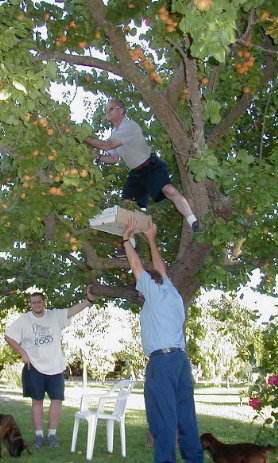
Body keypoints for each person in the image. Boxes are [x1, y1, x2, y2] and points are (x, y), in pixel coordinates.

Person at [122, 217, 204, 463]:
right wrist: (151, 238)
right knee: (185, 417)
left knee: (162, 418)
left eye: (140, 284)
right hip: (180, 361)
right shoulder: (171, 291)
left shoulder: (154, 294)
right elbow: (161, 269)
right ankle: (194, 459)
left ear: (148, 283)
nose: (137, 287)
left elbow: (137, 266)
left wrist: (127, 240)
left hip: (163, 363)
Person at [85, 99, 199, 234]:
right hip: (136, 174)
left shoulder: (128, 127)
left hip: (151, 166)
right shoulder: (114, 133)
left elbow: (106, 145)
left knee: (169, 191)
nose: (107, 111)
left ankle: (192, 220)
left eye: (110, 108)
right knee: (126, 207)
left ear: (121, 110)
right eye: (106, 109)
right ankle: (130, 245)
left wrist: (83, 137)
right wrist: (98, 157)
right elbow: (114, 159)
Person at [5, 287, 95, 449]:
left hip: (56, 367)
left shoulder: (55, 316)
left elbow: (73, 310)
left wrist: (88, 301)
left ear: (44, 303)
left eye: (39, 301)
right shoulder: (24, 320)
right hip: (34, 367)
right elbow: (8, 336)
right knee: (37, 401)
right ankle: (39, 437)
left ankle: (52, 435)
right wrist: (22, 353)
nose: (37, 304)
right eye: (34, 302)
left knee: (56, 400)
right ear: (30, 305)